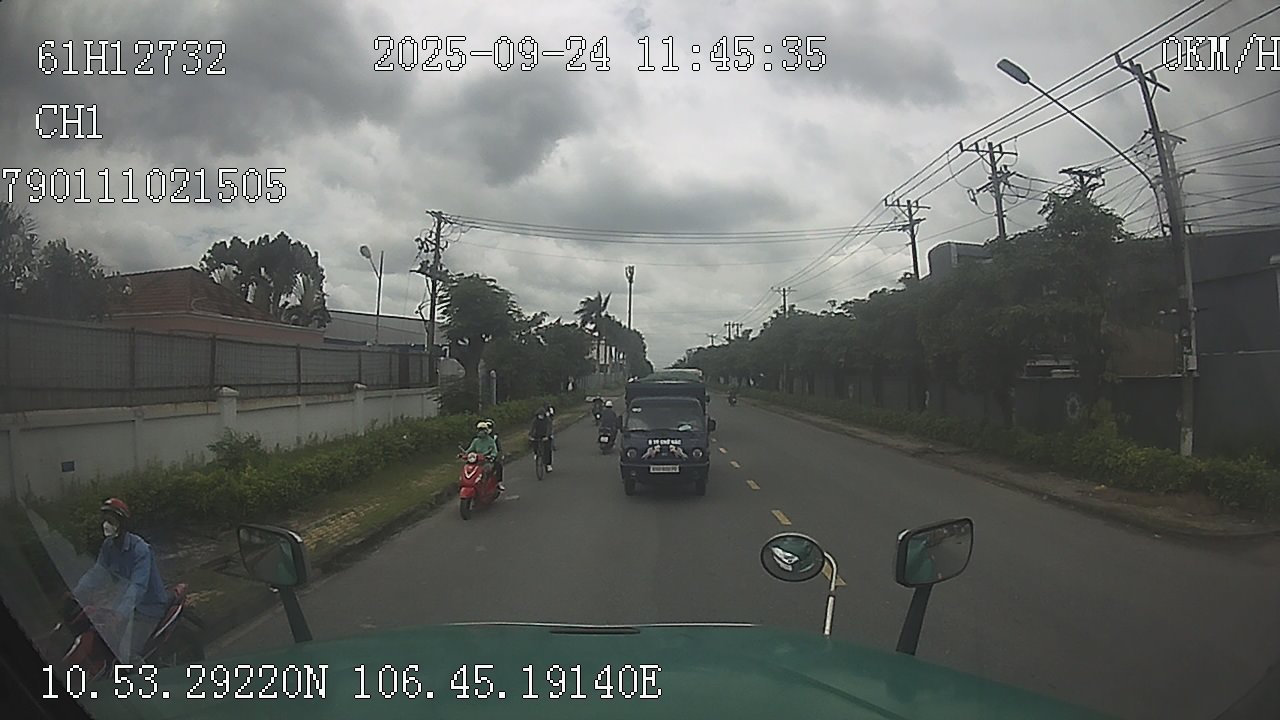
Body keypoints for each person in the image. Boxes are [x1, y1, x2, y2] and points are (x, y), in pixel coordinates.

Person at [72, 498, 171, 663]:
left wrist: (120, 613)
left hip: (148, 608)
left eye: (111, 521)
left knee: (127, 655)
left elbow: (137, 587)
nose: (106, 525)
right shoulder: (108, 546)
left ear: (122, 524)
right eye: (105, 520)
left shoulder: (140, 549)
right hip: (123, 605)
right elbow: (97, 573)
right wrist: (76, 593)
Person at [465, 420, 504, 491]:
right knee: (468, 468)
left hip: (487, 461)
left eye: (482, 430)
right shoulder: (475, 441)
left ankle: (490, 485)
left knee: (488, 469)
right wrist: (464, 454)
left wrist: (492, 456)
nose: (481, 432)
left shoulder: (491, 440)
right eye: (479, 430)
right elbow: (470, 449)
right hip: (477, 460)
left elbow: (494, 450)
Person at [529, 408, 554, 473]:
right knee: (533, 442)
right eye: (539, 415)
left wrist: (547, 436)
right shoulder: (535, 420)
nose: (541, 416)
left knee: (547, 450)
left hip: (546, 435)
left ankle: (548, 465)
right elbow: (532, 428)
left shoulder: (547, 420)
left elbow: (549, 428)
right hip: (537, 435)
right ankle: (535, 453)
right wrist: (531, 435)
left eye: (542, 415)